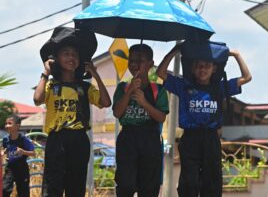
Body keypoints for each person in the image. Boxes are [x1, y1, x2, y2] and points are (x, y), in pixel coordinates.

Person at [156, 43, 252, 197]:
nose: (202, 69)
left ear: (214, 68)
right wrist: (175, 51)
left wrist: (236, 55)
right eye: (199, 66)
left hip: (211, 138)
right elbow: (160, 72)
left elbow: (247, 77)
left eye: (206, 66)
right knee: (190, 182)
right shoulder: (184, 86)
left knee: (211, 182)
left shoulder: (220, 87)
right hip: (190, 138)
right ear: (193, 69)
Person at [33, 26, 111, 197]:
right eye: (66, 53)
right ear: (56, 59)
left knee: (75, 186)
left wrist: (96, 75)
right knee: (52, 185)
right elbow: (37, 99)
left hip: (79, 140)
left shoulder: (85, 87)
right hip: (57, 139)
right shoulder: (51, 85)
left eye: (75, 54)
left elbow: (106, 102)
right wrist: (45, 72)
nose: (71, 57)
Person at [113, 44, 169, 197]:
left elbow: (161, 117)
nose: (135, 65)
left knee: (149, 187)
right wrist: (130, 91)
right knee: (125, 184)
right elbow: (117, 113)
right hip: (128, 138)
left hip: (150, 139)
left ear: (150, 64)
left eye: (140, 61)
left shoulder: (158, 90)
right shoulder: (122, 88)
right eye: (132, 60)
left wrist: (144, 102)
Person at [2, 114, 35, 197]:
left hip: (22, 169)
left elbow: (33, 153)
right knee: (4, 189)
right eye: (6, 123)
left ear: (17, 126)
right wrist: (4, 152)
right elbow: (6, 149)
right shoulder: (5, 139)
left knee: (23, 192)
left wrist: (23, 152)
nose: (7, 126)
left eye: (9, 123)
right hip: (10, 168)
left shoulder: (23, 139)